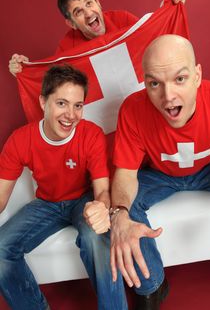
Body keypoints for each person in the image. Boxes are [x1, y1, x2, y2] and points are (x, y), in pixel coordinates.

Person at [110, 34, 210, 310]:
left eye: (180, 79)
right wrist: (119, 213)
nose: (168, 96)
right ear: (145, 83)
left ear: (198, 75)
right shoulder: (132, 109)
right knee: (122, 209)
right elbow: (126, 174)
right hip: (159, 175)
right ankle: (152, 286)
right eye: (155, 83)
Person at [0, 64, 127, 310]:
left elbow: (101, 190)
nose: (71, 114)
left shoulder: (91, 134)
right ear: (43, 102)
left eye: (77, 105)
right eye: (61, 103)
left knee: (96, 238)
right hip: (46, 203)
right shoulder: (19, 140)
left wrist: (102, 209)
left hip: (84, 199)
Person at [8, 0, 186, 75]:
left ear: (98, 3)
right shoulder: (66, 48)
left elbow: (155, 45)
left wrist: (168, 8)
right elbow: (53, 87)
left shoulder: (123, 19)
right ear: (71, 23)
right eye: (78, 12)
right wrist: (25, 70)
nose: (88, 13)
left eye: (89, 3)